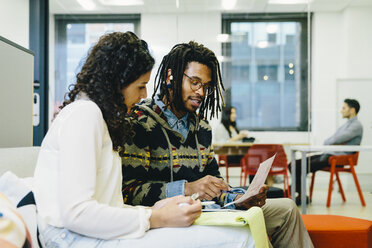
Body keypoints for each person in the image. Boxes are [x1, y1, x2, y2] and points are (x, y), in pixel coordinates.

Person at [33, 32, 255, 248]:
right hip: (71, 238)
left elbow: (107, 207)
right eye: (140, 86)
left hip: (89, 233)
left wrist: (158, 211)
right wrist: (155, 218)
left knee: (241, 232)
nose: (143, 95)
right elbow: (77, 214)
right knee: (243, 238)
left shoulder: (97, 118)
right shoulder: (85, 114)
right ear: (115, 83)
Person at [122, 41, 314, 248]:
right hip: (171, 217)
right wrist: (186, 189)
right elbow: (129, 191)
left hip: (208, 211)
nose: (201, 93)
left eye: (206, 86)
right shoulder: (140, 121)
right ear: (171, 77)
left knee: (287, 208)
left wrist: (237, 197)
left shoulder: (202, 127)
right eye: (195, 82)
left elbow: (215, 180)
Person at [290, 98, 363, 204]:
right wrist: (329, 142)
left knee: (299, 166)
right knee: (293, 164)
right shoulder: (347, 125)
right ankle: (299, 193)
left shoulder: (356, 125)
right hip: (331, 154)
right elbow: (333, 140)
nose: (341, 110)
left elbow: (336, 139)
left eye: (344, 108)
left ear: (352, 110)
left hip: (339, 157)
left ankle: (298, 194)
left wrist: (329, 142)